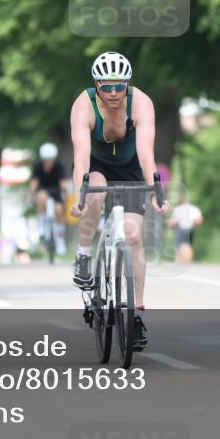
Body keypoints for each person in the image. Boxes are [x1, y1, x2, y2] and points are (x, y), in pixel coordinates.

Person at [69, 51, 170, 349]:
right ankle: (84, 255)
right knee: (94, 198)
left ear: (127, 83)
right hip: (97, 167)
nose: (113, 93)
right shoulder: (83, 105)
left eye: (119, 86)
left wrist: (156, 191)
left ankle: (135, 312)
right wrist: (80, 196)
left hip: (130, 169)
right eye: (106, 86)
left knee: (135, 234)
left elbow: (147, 153)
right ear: (96, 85)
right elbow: (80, 158)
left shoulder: (141, 102)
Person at [30, 142, 68, 255]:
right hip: (43, 189)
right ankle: (42, 226)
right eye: (46, 160)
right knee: (41, 197)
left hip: (56, 190)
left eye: (50, 160)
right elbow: (34, 182)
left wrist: (65, 193)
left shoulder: (59, 165)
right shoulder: (37, 165)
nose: (48, 163)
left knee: (59, 210)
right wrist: (32, 193)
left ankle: (60, 238)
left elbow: (63, 182)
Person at [169, 195, 204, 264]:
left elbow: (173, 221)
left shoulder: (179, 209)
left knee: (179, 244)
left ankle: (181, 259)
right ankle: (186, 259)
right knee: (188, 244)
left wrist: (172, 225)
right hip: (189, 228)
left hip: (183, 228)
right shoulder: (194, 209)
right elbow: (199, 220)